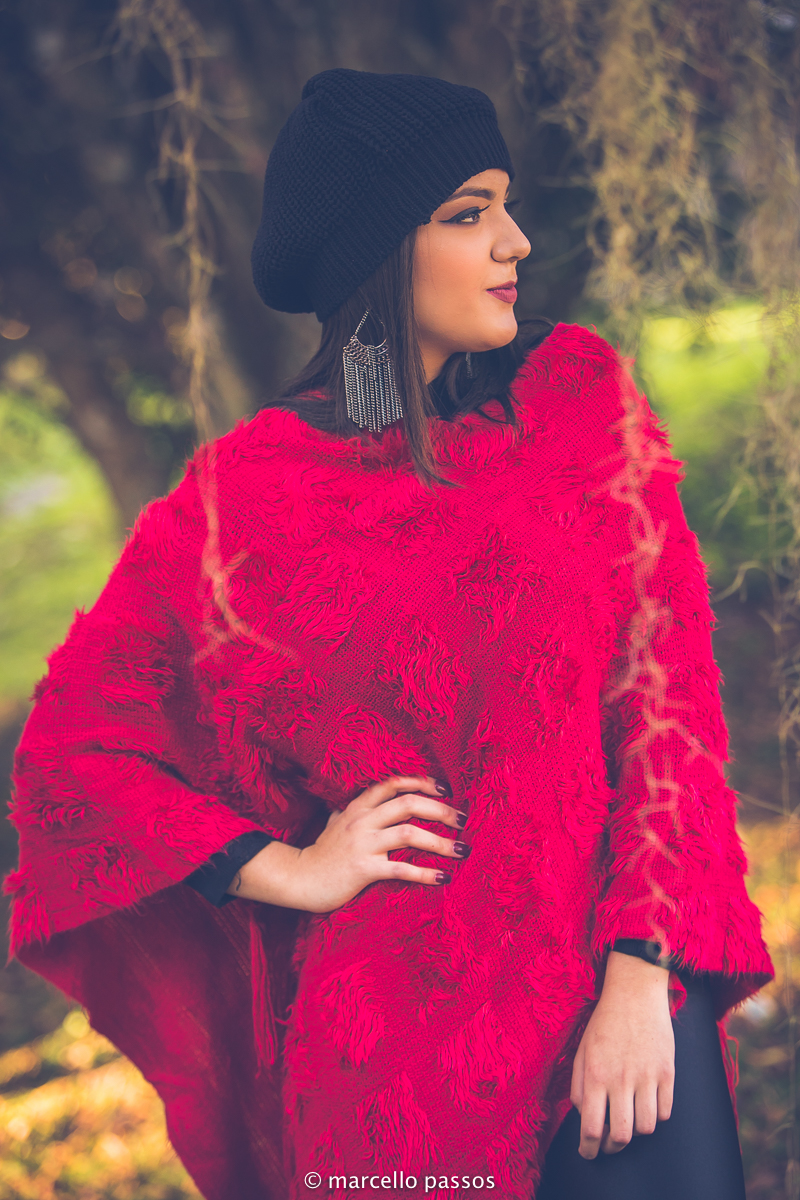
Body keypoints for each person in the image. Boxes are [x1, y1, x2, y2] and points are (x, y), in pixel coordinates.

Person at [5, 68, 773, 1200]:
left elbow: (669, 714)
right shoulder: (238, 504)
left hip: (618, 1024)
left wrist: (638, 977)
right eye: (466, 213)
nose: (513, 241)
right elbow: (74, 758)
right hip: (394, 1067)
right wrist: (290, 870)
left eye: (505, 205)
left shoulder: (575, 401)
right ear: (374, 250)